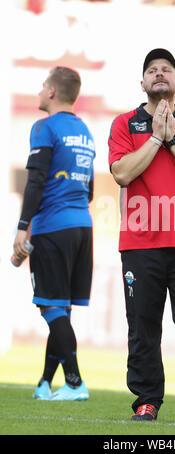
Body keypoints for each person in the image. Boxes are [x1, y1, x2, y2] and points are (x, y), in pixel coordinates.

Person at [108, 49, 175, 424]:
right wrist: (155, 139)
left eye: (166, 70)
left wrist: (173, 141)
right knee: (143, 325)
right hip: (139, 243)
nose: (159, 74)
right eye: (152, 70)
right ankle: (147, 400)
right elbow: (121, 173)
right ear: (142, 83)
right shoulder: (124, 124)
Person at [13, 66, 95, 401]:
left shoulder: (44, 127)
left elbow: (35, 181)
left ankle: (74, 382)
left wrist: (22, 228)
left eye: (42, 85)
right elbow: (89, 190)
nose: (38, 91)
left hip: (53, 228)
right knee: (61, 310)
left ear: (51, 92)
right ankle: (46, 383)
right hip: (83, 227)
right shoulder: (85, 132)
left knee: (50, 308)